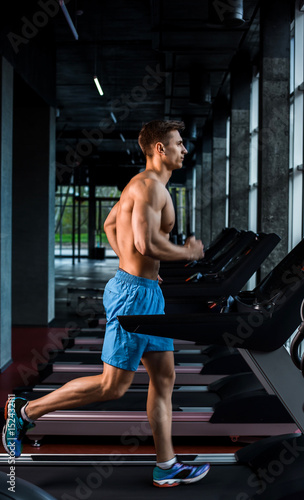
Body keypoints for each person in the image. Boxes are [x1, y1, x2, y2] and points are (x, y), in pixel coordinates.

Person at [2, 120, 210, 487]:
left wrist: (135, 265)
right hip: (133, 295)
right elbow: (147, 245)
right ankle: (25, 410)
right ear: (160, 149)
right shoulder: (148, 187)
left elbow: (110, 224)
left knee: (164, 378)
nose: (184, 150)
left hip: (146, 291)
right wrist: (185, 252)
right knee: (112, 386)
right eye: (178, 144)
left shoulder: (147, 186)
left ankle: (166, 465)